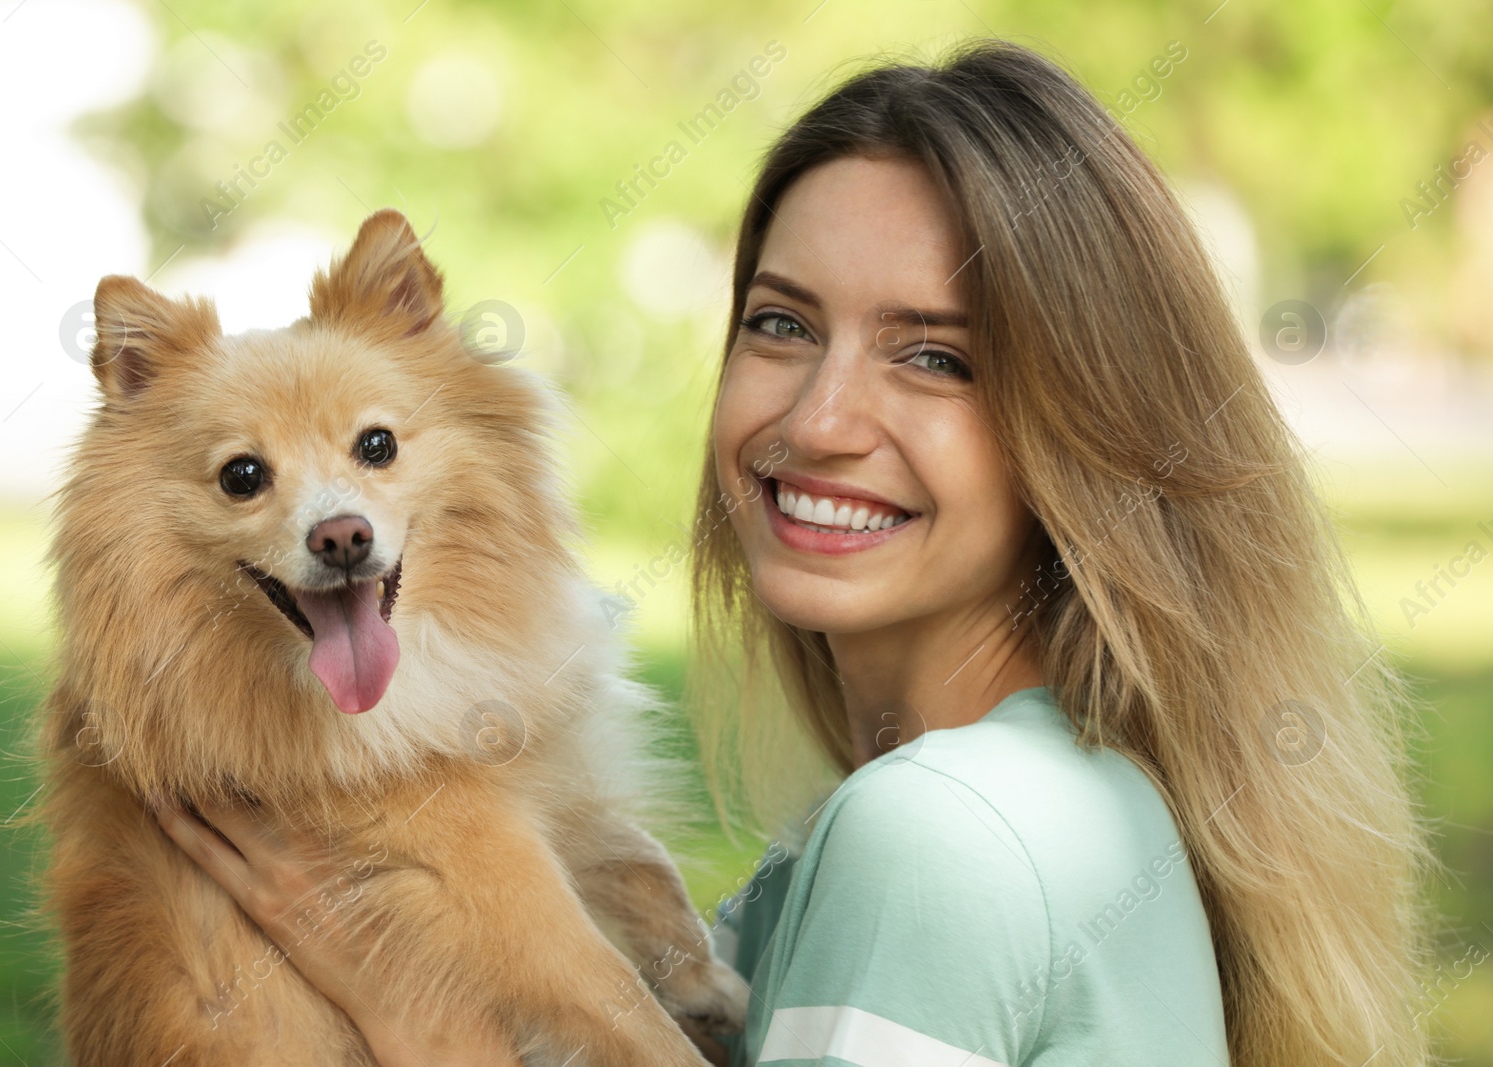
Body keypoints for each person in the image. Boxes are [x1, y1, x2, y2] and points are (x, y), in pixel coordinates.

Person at [157, 39, 1438, 1067]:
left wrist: (431, 1032)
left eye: (935, 355)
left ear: (1094, 429)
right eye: (781, 324)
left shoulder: (935, 837)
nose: (817, 420)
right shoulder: (1076, 786)